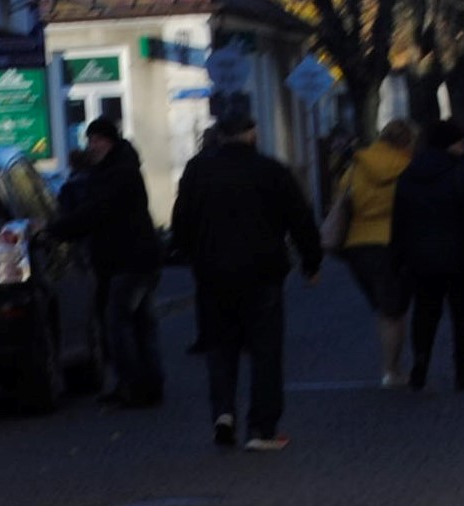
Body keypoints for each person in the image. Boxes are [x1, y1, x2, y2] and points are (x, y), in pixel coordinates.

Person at [167, 102, 324, 451]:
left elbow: (182, 221)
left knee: (220, 348)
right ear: (252, 133)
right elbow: (299, 219)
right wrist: (311, 262)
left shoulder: (197, 171)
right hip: (262, 272)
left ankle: (223, 412)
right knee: (265, 350)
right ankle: (262, 427)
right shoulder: (270, 171)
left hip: (212, 273)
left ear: (221, 136)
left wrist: (187, 252)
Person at [46, 114, 164, 406]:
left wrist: (54, 230)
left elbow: (96, 212)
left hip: (129, 261)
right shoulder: (117, 169)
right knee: (140, 324)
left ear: (111, 141)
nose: (93, 146)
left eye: (98, 140)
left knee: (118, 323)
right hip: (134, 260)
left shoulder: (119, 173)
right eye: (90, 140)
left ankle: (133, 385)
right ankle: (148, 384)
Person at [391, 116, 464, 392]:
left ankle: (420, 363)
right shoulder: (459, 174)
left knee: (425, 313)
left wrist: (398, 255)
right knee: (463, 316)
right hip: (460, 255)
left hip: (421, 256)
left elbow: (399, 219)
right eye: (459, 140)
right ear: (451, 144)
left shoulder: (409, 175)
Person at [332, 119, 419, 387]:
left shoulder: (357, 166)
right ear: (407, 142)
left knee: (383, 308)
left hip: (357, 245)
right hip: (392, 242)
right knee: (394, 310)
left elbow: (342, 199)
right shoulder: (407, 168)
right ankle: (392, 370)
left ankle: (389, 369)